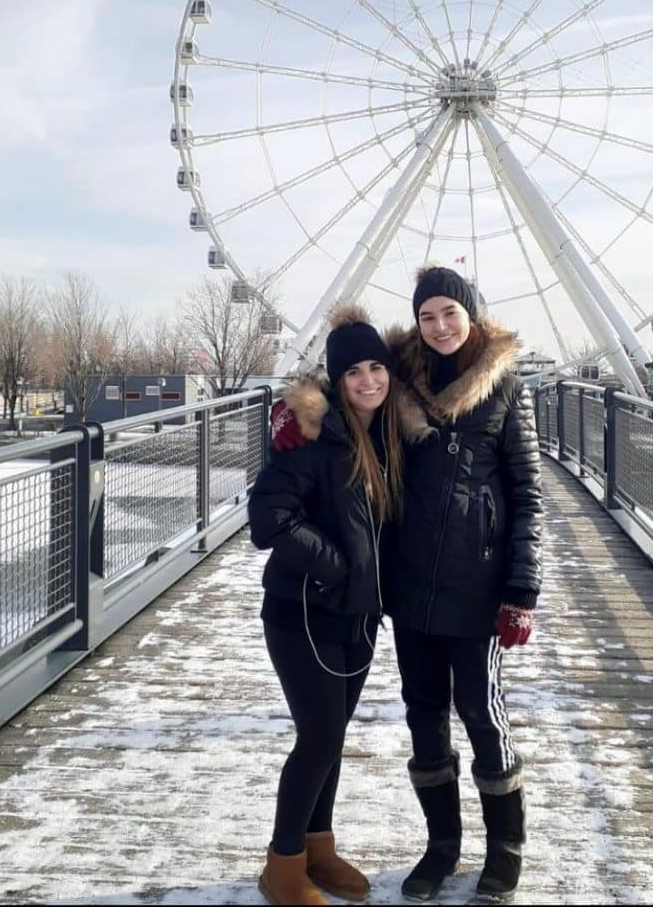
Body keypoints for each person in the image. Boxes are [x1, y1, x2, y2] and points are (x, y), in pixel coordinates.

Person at [274, 267, 543, 904]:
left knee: (482, 714)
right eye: (428, 316)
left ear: (471, 313)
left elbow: (528, 493)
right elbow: (341, 378)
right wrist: (294, 416)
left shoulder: (504, 388)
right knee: (424, 715)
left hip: (478, 587)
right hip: (409, 584)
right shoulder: (400, 378)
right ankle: (442, 844)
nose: (441, 326)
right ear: (417, 322)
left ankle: (504, 849)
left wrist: (521, 589)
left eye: (450, 312)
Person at [249, 304, 433, 907]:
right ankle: (282, 867)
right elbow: (268, 519)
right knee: (320, 737)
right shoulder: (309, 433)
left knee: (333, 733)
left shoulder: (385, 433)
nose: (369, 381)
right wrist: (336, 566)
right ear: (336, 378)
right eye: (355, 372)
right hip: (305, 610)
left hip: (359, 614)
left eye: (378, 368)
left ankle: (317, 848)